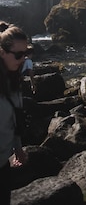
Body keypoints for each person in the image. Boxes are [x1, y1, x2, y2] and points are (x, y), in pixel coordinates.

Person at [0, 23, 29, 205]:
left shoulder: (14, 79)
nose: (23, 59)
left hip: (3, 163)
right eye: (18, 55)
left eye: (26, 54)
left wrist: (18, 148)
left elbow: (15, 118)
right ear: (2, 52)